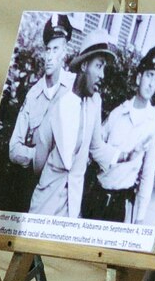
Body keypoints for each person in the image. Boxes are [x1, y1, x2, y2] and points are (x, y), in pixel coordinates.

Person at [27, 39, 111, 218]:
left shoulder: (94, 103)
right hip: (45, 205)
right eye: (99, 66)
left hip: (72, 209)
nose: (102, 75)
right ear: (84, 65)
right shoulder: (58, 100)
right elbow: (39, 161)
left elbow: (96, 147)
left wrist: (123, 156)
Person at [91, 45, 155, 224]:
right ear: (139, 77)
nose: (151, 83)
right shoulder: (118, 113)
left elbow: (148, 172)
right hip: (95, 197)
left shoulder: (153, 121)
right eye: (149, 75)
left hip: (119, 206)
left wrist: (139, 218)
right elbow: (95, 148)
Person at [5, 14, 75, 169]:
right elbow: (14, 148)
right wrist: (39, 156)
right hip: (32, 180)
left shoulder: (74, 88)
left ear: (65, 51)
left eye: (55, 49)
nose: (50, 57)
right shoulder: (33, 94)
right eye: (47, 50)